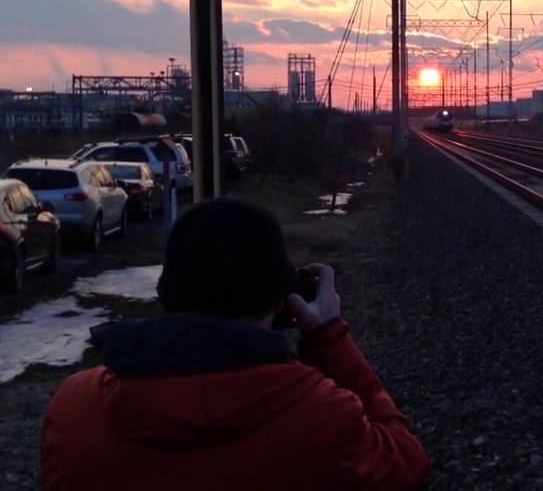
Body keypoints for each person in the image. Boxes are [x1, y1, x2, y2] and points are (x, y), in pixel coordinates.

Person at [41, 199, 429, 490]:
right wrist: (327, 336)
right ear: (282, 298)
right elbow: (406, 463)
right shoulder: (325, 418)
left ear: (167, 292)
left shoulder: (74, 409)